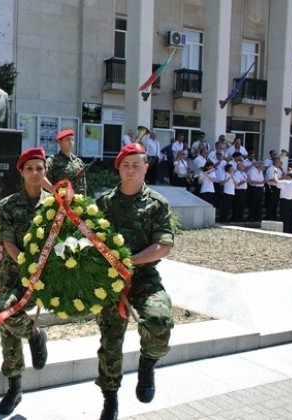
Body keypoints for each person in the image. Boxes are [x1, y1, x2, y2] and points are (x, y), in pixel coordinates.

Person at [94, 143, 175, 420]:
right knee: (110, 344)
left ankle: (147, 363)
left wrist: (129, 261)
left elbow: (164, 245)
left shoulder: (157, 204)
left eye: (136, 165)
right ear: (118, 168)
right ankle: (110, 398)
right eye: (126, 165)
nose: (131, 170)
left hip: (143, 278)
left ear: (146, 168)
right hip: (109, 281)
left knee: (159, 321)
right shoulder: (102, 203)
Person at [0, 147, 49, 415]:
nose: (35, 173)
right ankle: (15, 386)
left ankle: (15, 385)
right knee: (5, 320)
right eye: (30, 168)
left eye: (39, 168)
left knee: (6, 321)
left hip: (44, 279)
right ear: (21, 172)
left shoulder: (54, 207)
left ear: (45, 171)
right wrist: (27, 266)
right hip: (15, 276)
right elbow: (7, 242)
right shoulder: (7, 205)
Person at [43, 128, 88, 195]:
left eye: (72, 139)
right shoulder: (52, 161)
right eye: (67, 139)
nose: (70, 142)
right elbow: (41, 177)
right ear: (59, 142)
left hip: (79, 201)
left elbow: (83, 184)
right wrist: (53, 190)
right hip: (60, 202)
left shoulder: (78, 161)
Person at [274, 169, 292, 234]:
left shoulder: (286, 182)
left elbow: (276, 181)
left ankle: (285, 231)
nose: (284, 176)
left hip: (285, 201)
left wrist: (275, 173)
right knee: (291, 217)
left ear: (288, 176)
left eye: (285, 175)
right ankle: (291, 231)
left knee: (284, 217)